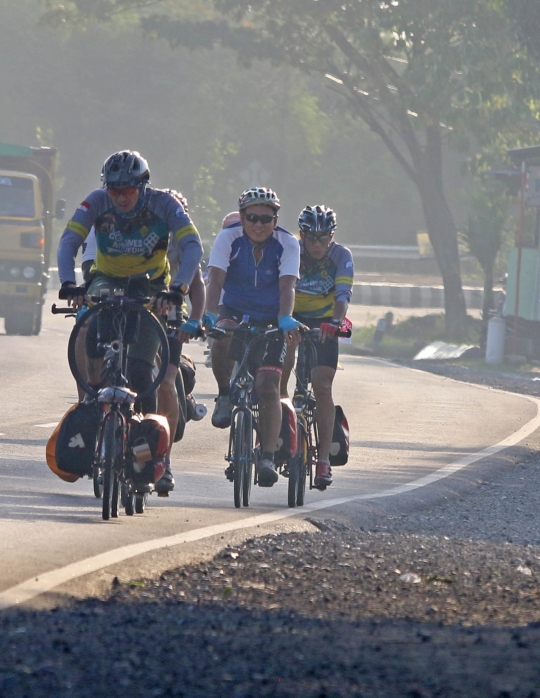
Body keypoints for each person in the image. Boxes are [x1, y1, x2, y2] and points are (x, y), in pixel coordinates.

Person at [57, 150, 203, 493]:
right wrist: (68, 283)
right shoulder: (96, 202)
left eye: (128, 190)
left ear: (143, 186)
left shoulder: (164, 205)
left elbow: (192, 246)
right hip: (107, 280)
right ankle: (96, 414)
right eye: (114, 190)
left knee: (141, 372)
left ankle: (147, 451)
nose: (121, 197)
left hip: (151, 284)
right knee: (92, 342)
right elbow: (68, 242)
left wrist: (177, 289)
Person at [205, 187, 301, 487]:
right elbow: (216, 280)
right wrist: (208, 315)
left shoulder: (287, 243)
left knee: (269, 387)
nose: (258, 225)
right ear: (242, 217)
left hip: (272, 317)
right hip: (234, 308)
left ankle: (268, 456)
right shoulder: (228, 239)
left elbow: (287, 287)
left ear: (275, 219)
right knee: (222, 336)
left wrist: (285, 318)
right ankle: (223, 394)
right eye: (251, 218)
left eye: (266, 218)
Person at [280, 205, 354, 488]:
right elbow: (281, 288)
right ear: (302, 235)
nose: (318, 244)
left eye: (324, 238)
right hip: (292, 317)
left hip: (326, 321)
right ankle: (273, 434)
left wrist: (335, 321)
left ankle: (323, 460)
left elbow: (343, 294)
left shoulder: (340, 256)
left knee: (322, 387)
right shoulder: (292, 252)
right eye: (311, 238)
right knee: (279, 377)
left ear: (332, 237)